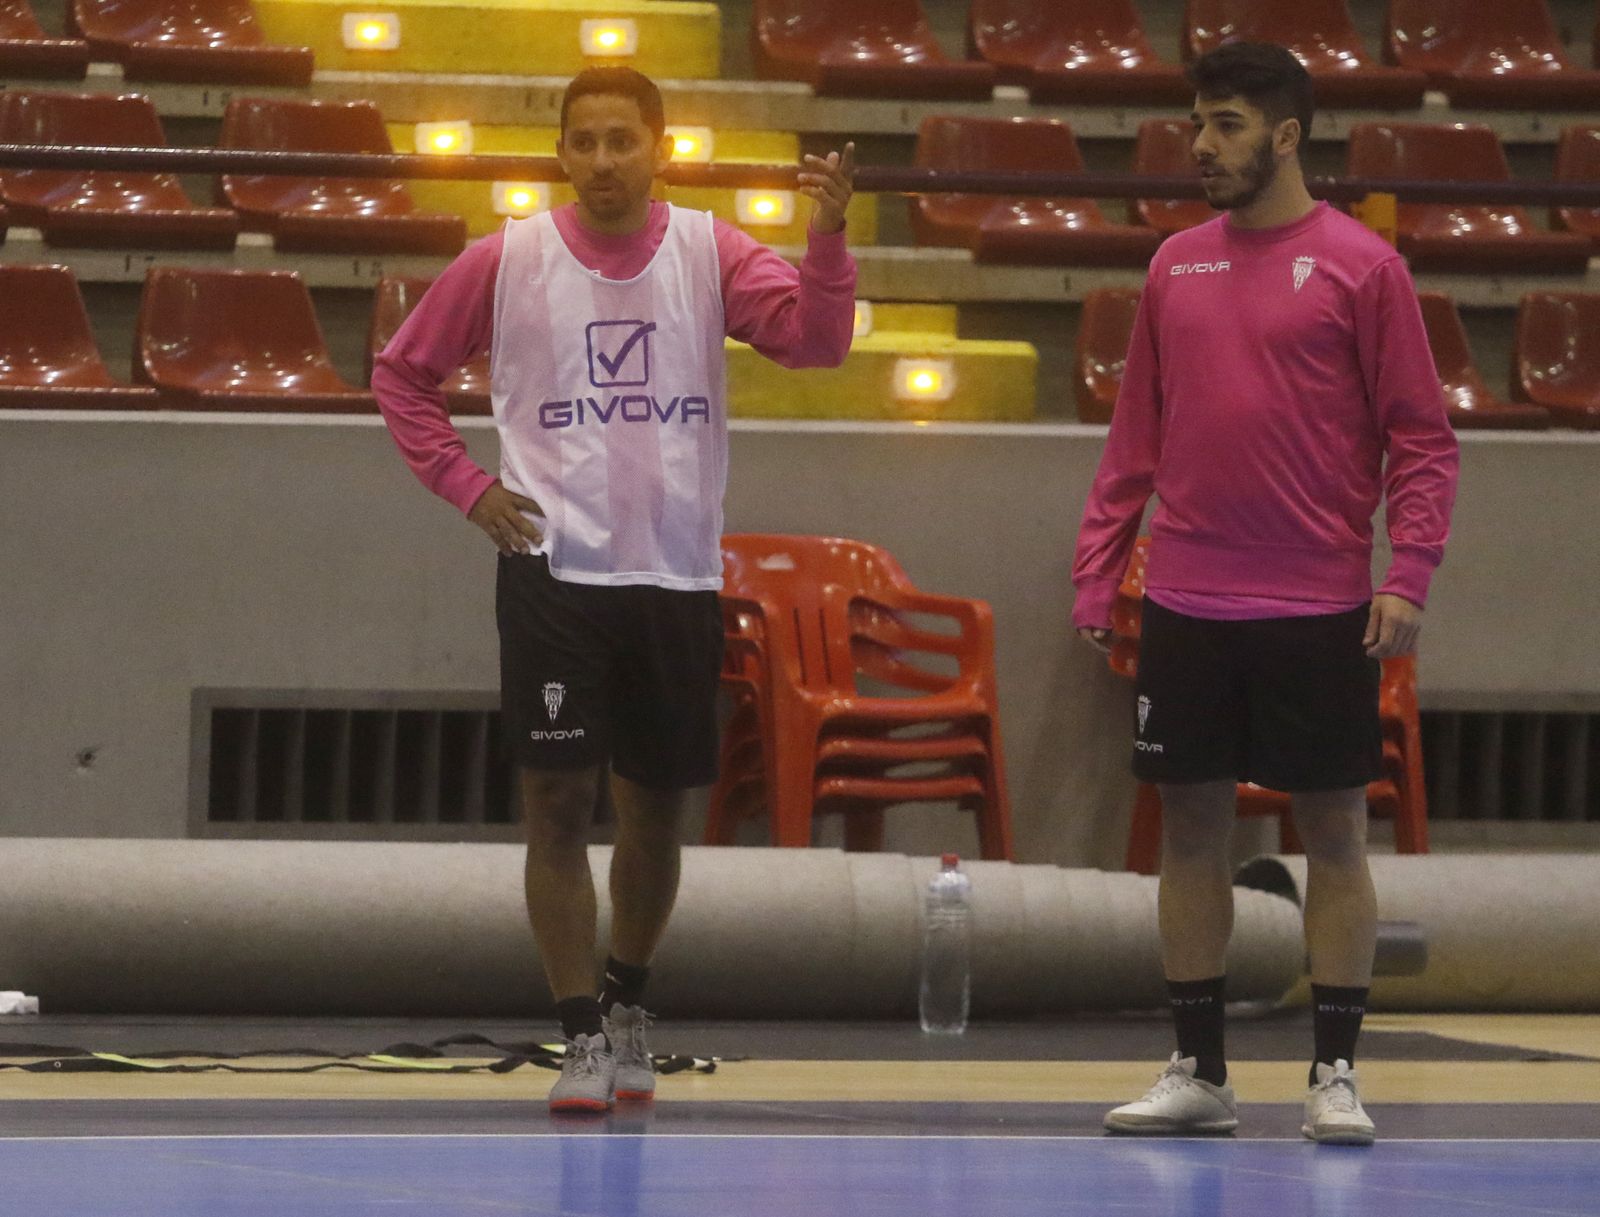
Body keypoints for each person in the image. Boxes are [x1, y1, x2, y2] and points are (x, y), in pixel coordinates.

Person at [372, 66, 857, 1112]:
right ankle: (578, 1029)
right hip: (554, 568)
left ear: (658, 148)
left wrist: (826, 242)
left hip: (674, 569)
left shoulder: (710, 250)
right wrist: (467, 485)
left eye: (620, 141)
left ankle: (630, 999)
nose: (601, 161)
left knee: (655, 812)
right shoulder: (506, 258)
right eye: (583, 141)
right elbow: (401, 374)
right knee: (553, 803)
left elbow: (818, 343)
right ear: (559, 151)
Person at [1071, 42, 1458, 1145]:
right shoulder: (1172, 266)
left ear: (1286, 136)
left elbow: (1422, 443)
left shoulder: (1361, 267)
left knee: (1333, 830)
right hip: (1188, 598)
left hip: (1316, 603)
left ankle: (1334, 1072)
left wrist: (1407, 574)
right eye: (1197, 122)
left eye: (1227, 124)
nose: (1201, 144)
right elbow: (1132, 436)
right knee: (1187, 830)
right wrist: (1098, 567)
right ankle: (1198, 1069)